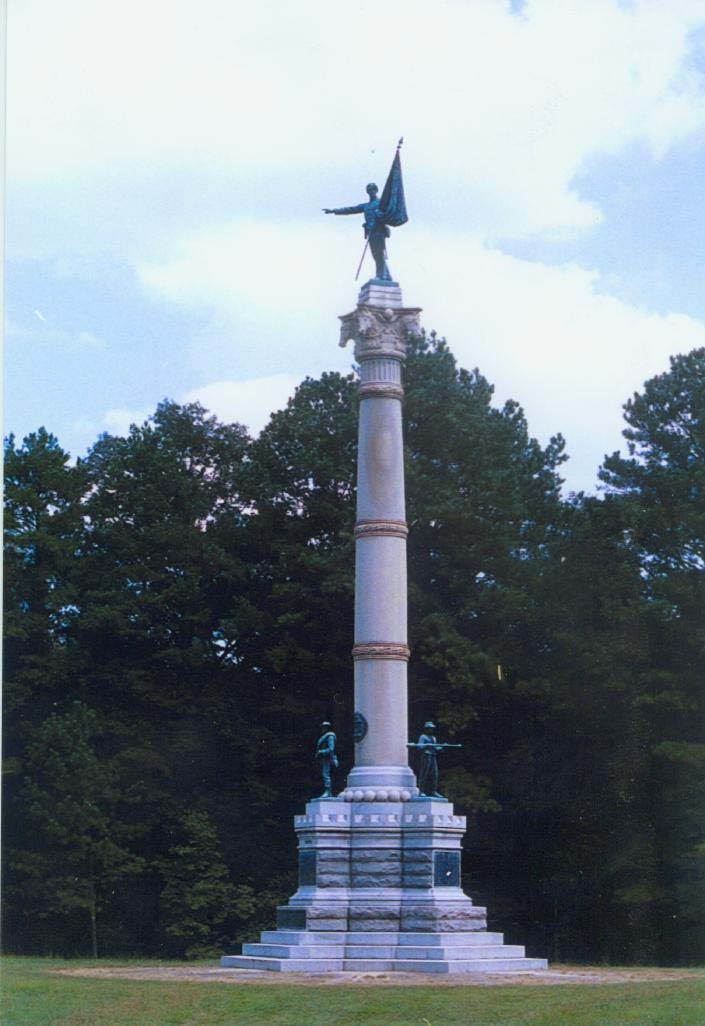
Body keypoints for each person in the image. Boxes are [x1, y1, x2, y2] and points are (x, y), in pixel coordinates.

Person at [323, 183, 393, 282]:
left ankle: (381, 275)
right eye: (369, 190)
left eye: (373, 189)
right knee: (376, 254)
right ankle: (387, 276)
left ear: (376, 190)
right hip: (371, 232)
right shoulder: (366, 206)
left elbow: (389, 212)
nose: (371, 192)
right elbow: (350, 209)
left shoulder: (381, 203)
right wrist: (334, 211)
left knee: (379, 254)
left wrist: (380, 216)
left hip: (379, 231)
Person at [416, 721, 442, 798]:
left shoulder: (433, 738)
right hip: (426, 756)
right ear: (426, 729)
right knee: (424, 774)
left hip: (433, 756)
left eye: (432, 728)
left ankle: (433, 791)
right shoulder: (423, 737)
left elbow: (435, 748)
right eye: (429, 728)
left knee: (435, 774)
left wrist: (441, 747)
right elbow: (419, 747)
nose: (431, 730)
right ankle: (421, 791)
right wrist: (427, 745)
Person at [315, 721, 339, 798]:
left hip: (328, 758)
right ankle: (328, 792)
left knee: (326, 775)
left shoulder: (330, 736)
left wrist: (321, 752)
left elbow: (331, 749)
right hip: (324, 758)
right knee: (325, 775)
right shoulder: (325, 736)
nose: (322, 728)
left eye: (324, 727)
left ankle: (328, 791)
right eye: (322, 727)